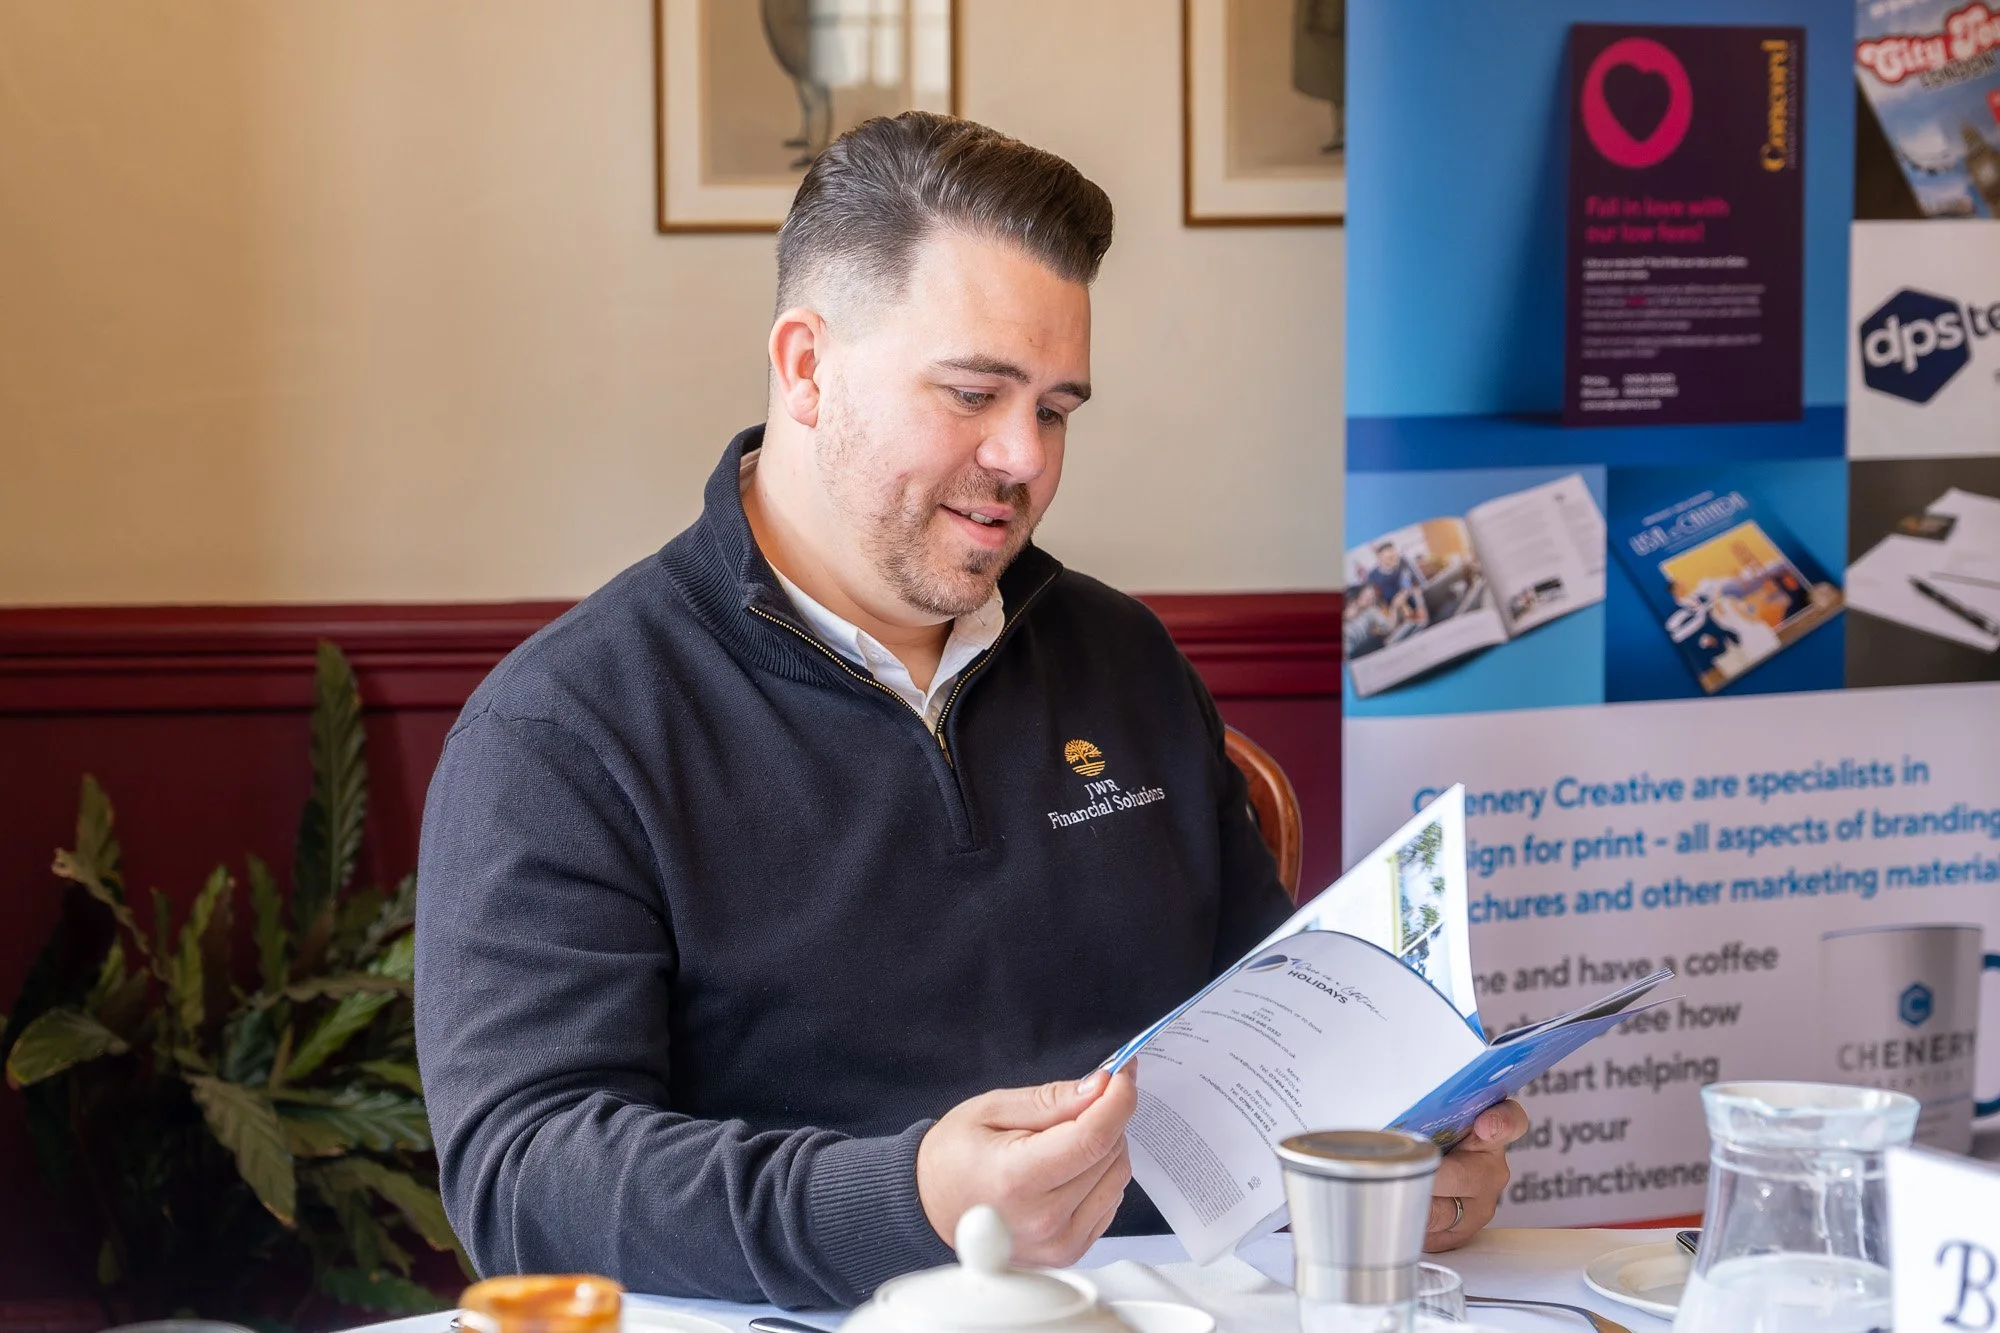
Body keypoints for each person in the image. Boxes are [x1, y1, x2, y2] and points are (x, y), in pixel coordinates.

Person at [414, 112, 1526, 1310]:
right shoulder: (567, 730)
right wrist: (912, 1199)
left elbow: (1275, 1038)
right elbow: (522, 1177)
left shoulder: (1123, 659)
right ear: (804, 367)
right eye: (971, 392)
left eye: (1053, 408)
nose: (1022, 459)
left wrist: (1388, 1149)